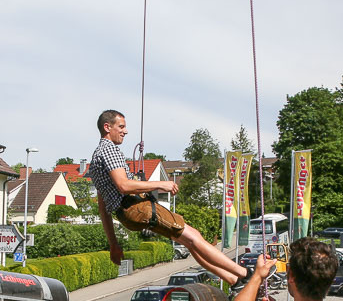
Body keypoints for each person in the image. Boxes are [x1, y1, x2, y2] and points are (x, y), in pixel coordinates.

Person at [88, 110, 251, 287]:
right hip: (137, 208)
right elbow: (124, 185)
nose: (125, 131)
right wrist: (161, 184)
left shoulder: (95, 158)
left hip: (127, 215)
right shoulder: (110, 149)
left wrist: (113, 244)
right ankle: (245, 273)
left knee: (190, 242)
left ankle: (234, 280)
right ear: (107, 127)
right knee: (194, 237)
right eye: (121, 126)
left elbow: (103, 207)